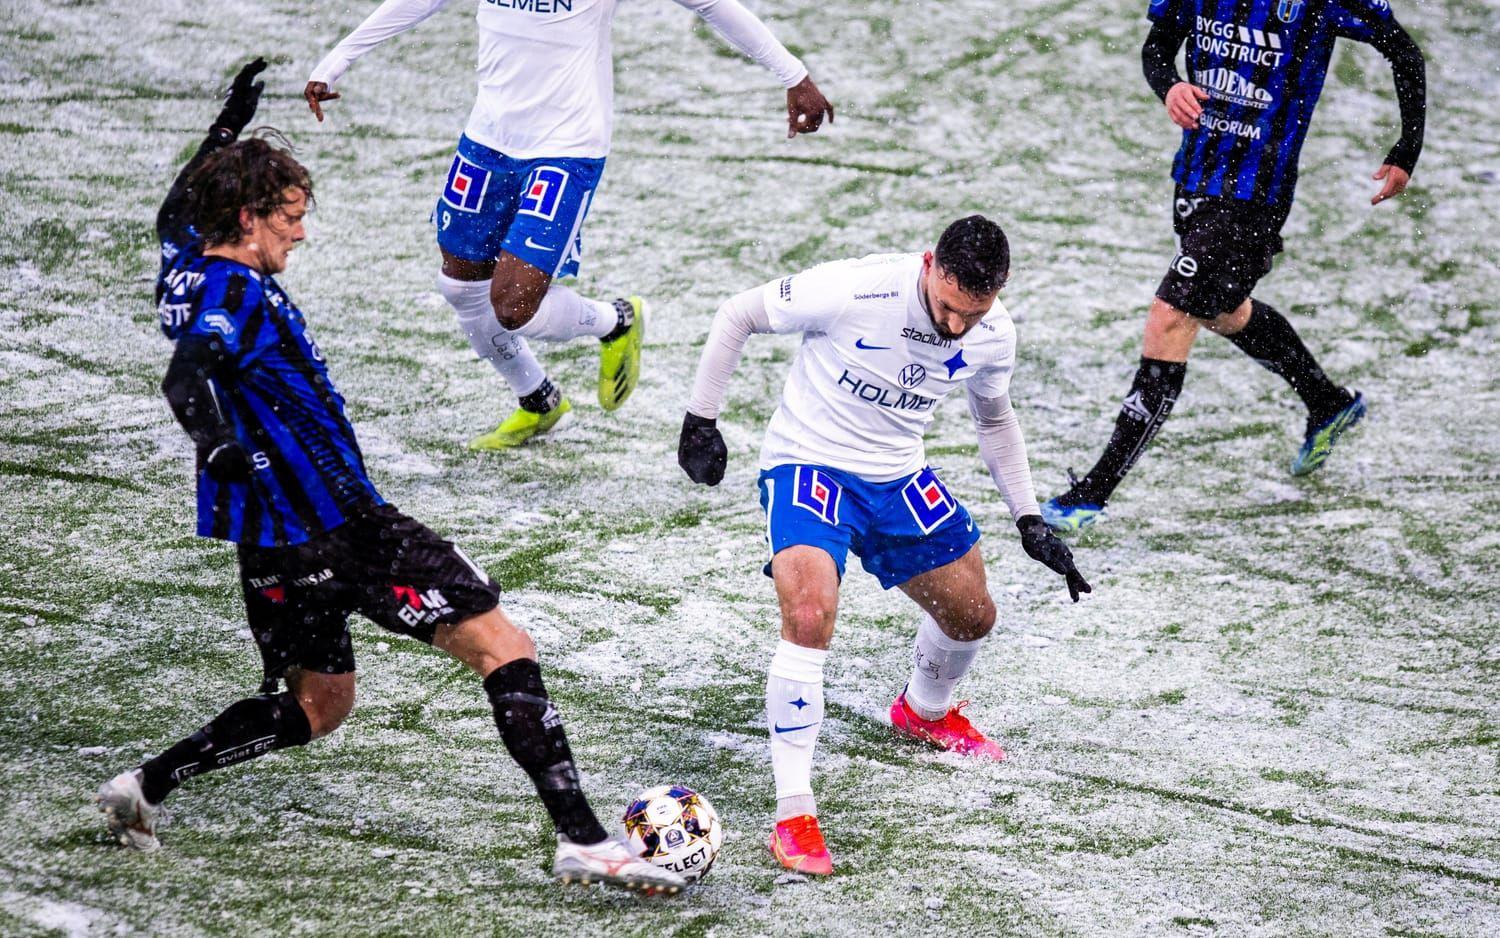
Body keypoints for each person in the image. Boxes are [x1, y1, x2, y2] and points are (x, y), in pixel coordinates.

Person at [96, 60, 683, 894]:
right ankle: (584, 840)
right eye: (289, 219)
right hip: (342, 525)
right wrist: (216, 440)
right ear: (247, 218)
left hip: (269, 541)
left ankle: (142, 786)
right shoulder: (236, 295)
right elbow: (187, 378)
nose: (298, 234)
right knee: (503, 647)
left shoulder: (183, 263)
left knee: (319, 705)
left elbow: (174, 207)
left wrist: (228, 125)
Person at [676, 216, 1091, 876]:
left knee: (973, 615)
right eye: (949, 307)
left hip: (896, 474)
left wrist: (1029, 518)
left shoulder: (994, 334)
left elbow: (994, 419)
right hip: (809, 463)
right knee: (809, 618)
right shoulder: (854, 289)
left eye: (972, 315)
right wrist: (701, 420)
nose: (956, 327)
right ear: (929, 265)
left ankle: (924, 713)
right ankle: (794, 816)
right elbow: (738, 314)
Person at [303, 0, 834, 449]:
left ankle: (615, 321)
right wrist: (335, 61)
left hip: (567, 148)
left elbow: (710, 3)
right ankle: (538, 400)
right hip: (487, 141)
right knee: (460, 286)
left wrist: (794, 75)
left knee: (512, 305)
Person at [1040, 0, 1426, 532]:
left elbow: (1403, 50)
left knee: (1171, 315)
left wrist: (1408, 148)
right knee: (1222, 309)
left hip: (1255, 198)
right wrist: (1169, 86)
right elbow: (1158, 48)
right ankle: (1328, 402)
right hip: (1196, 180)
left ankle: (1090, 494)